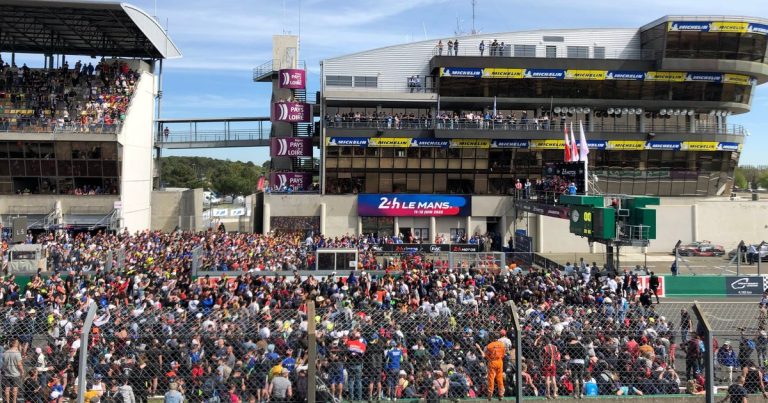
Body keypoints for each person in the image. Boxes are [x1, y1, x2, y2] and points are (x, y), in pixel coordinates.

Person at [483, 333, 506, 400]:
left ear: (492, 338)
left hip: (492, 362)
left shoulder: (489, 345)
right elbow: (503, 354)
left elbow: (486, 355)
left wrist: (490, 359)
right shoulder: (502, 344)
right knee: (500, 378)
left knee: (491, 378)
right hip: (500, 361)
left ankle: (490, 394)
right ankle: (501, 394)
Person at [564, 334, 587, 399]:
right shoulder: (580, 344)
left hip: (573, 362)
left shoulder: (568, 345)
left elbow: (567, 354)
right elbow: (585, 353)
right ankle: (581, 393)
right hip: (581, 362)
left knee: (574, 378)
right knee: (580, 377)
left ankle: (575, 394)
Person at [3, 338, 23, 403]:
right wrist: (22, 371)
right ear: (16, 344)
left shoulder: (5, 352)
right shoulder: (17, 353)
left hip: (7, 373)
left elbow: (4, 363)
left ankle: (7, 401)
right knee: (15, 388)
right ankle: (14, 401)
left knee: (7, 388)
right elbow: (19, 364)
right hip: (15, 374)